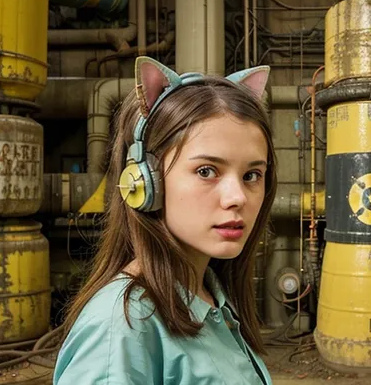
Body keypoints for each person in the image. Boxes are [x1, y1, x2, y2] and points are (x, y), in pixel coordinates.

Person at [53, 56, 277, 385]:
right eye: (206, 171)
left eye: (251, 175)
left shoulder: (210, 296)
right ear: (145, 182)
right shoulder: (122, 327)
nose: (238, 197)